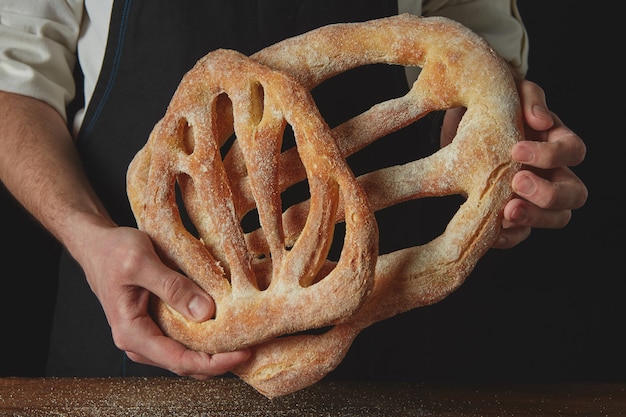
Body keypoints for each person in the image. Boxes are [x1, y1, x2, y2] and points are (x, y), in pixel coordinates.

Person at [0, 0, 587, 381]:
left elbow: (473, 48)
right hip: (128, 321)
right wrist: (87, 234)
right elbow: (10, 82)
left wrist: (502, 158)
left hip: (386, 354)